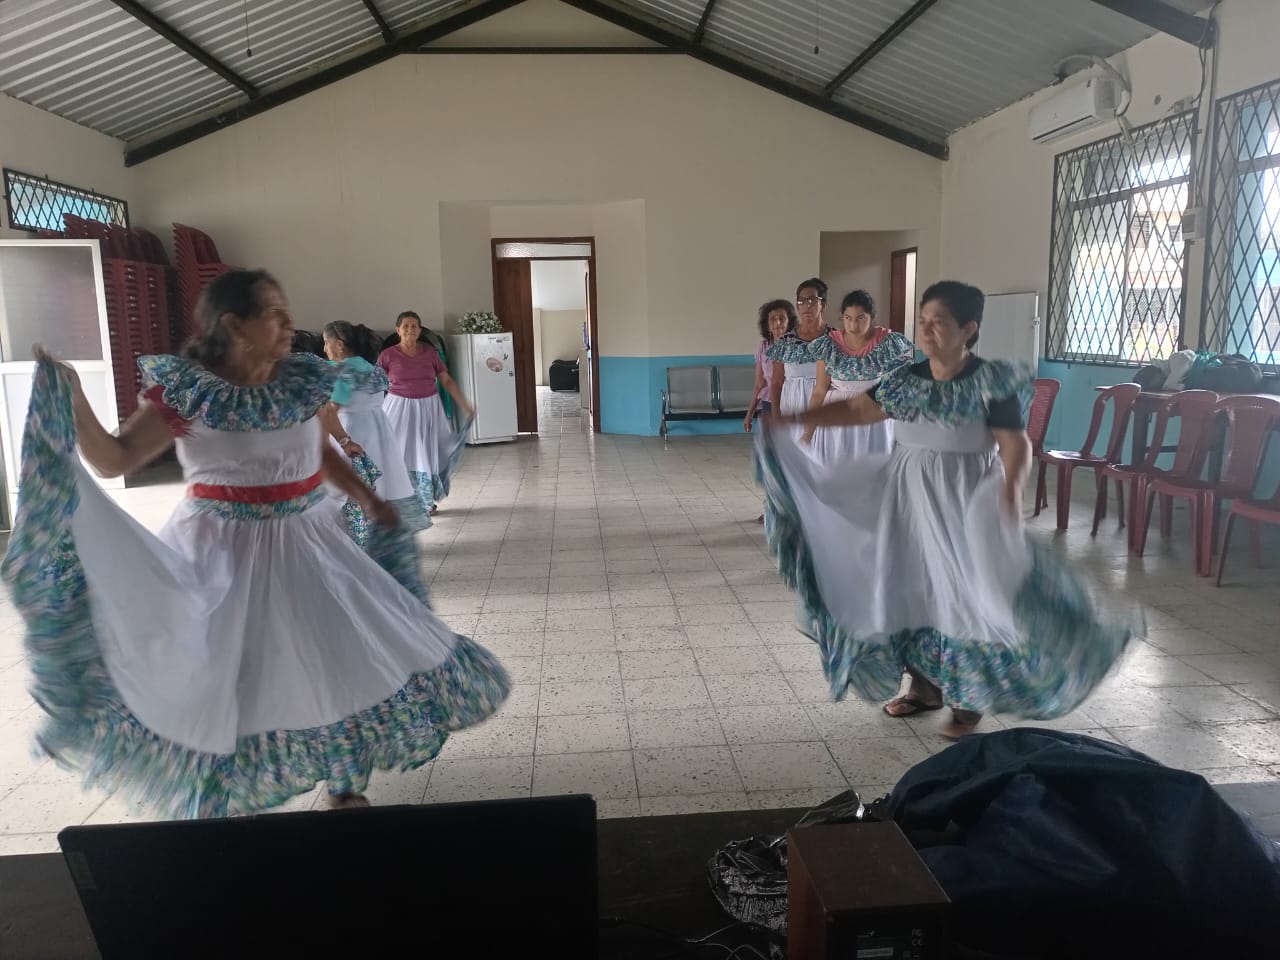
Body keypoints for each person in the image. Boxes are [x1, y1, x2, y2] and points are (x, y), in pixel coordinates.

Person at [1, 270, 510, 817]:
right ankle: (214, 784)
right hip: (217, 549)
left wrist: (367, 496)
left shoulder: (300, 382)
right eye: (274, 313)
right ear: (235, 326)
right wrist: (75, 396)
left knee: (335, 652)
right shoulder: (191, 392)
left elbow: (318, 453)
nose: (289, 323)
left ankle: (344, 780)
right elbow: (113, 459)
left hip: (306, 541)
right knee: (225, 668)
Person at [758, 281, 1136, 739]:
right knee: (908, 592)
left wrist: (1010, 490)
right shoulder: (906, 379)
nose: (927, 330)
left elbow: (1014, 444)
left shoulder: (989, 381)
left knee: (965, 597)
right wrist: (799, 418)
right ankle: (925, 688)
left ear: (968, 328)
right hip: (906, 501)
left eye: (938, 322)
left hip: (964, 500)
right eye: (923, 321)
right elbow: (858, 411)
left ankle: (968, 700)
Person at [318, 320, 433, 547]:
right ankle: (384, 537)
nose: (324, 348)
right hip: (380, 433)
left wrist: (341, 440)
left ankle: (354, 540)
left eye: (325, 342)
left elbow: (330, 412)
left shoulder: (340, 372)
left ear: (339, 344)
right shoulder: (373, 369)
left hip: (352, 433)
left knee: (349, 487)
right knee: (382, 485)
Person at [379, 311, 474, 515]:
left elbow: (446, 380)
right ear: (397, 330)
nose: (410, 330)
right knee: (400, 454)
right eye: (405, 326)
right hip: (398, 409)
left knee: (427, 453)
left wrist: (465, 404)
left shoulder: (430, 353)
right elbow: (374, 384)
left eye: (414, 326)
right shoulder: (387, 355)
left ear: (420, 330)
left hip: (429, 408)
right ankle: (400, 501)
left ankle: (426, 501)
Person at [802, 290, 913, 458]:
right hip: (838, 418)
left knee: (873, 466)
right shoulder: (828, 345)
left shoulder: (887, 343)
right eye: (848, 318)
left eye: (861, 318)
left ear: (872, 317)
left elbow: (898, 390)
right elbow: (819, 391)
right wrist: (808, 433)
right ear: (842, 317)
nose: (853, 325)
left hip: (872, 417)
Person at [766, 279, 831, 453]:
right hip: (792, 405)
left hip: (825, 406)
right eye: (802, 301)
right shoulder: (785, 341)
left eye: (812, 300)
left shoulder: (834, 339)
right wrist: (776, 417)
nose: (807, 306)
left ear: (823, 304)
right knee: (795, 457)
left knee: (822, 456)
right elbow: (777, 382)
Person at [743, 299, 795, 433]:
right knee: (772, 441)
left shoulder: (797, 346)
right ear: (767, 325)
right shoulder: (763, 347)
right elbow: (759, 383)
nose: (778, 323)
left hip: (792, 402)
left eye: (782, 318)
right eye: (772, 319)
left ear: (789, 322)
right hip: (769, 402)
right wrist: (749, 414)